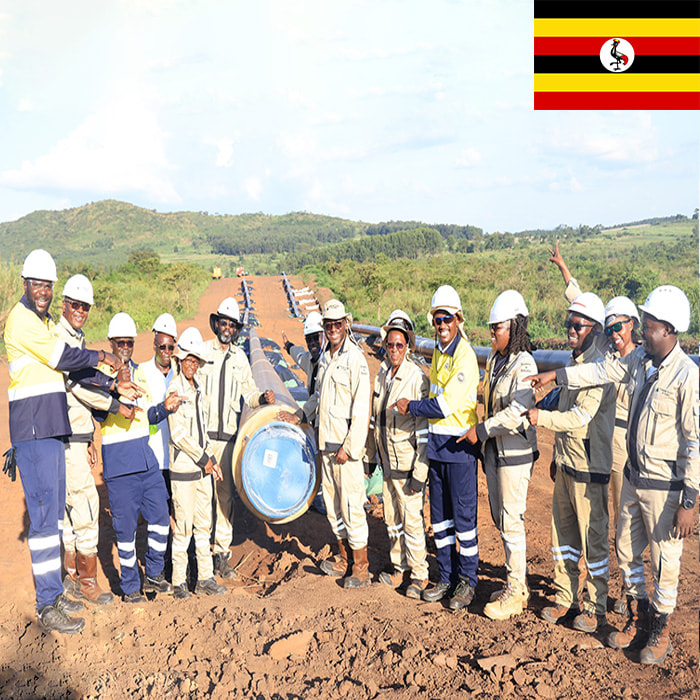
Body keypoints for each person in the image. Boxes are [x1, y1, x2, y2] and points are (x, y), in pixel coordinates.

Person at [527, 285, 699, 665]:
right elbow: (601, 369)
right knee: (626, 550)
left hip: (665, 488)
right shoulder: (639, 360)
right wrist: (557, 375)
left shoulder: (686, 376)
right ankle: (638, 622)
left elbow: (693, 441)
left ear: (668, 329)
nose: (644, 330)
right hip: (635, 479)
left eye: (649, 324)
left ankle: (660, 631)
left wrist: (689, 500)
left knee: (664, 560)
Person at [4, 250, 130, 633]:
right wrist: (104, 356)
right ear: (25, 283)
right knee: (44, 521)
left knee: (54, 518)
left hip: (51, 430)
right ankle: (46, 605)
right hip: (35, 429)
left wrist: (109, 384)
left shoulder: (41, 322)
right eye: (37, 283)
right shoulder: (23, 320)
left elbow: (70, 371)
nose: (41, 291)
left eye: (47, 285)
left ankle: (55, 593)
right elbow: (62, 358)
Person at [549, 241, 642, 616]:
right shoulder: (602, 351)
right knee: (600, 521)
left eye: (620, 326)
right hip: (602, 441)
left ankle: (621, 594)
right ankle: (594, 594)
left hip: (616, 444)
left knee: (620, 522)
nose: (614, 331)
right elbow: (583, 304)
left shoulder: (629, 357)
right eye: (611, 327)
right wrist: (564, 269)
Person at [523, 292, 615, 634]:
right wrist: (556, 457)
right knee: (562, 536)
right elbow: (564, 408)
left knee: (593, 540)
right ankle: (566, 596)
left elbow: (580, 417)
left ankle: (595, 606)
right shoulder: (574, 363)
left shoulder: (599, 369)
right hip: (567, 464)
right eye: (569, 324)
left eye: (577, 325)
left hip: (590, 468)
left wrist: (540, 417)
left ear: (594, 329)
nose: (570, 330)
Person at [394, 285, 480, 610]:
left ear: (458, 319)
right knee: (441, 522)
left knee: (464, 521)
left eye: (446, 319)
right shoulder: (439, 353)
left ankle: (467, 582)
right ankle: (445, 577)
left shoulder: (465, 356)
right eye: (437, 320)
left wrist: (411, 406)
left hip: (459, 451)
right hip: (437, 449)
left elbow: (442, 405)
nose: (441, 325)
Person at [458, 290, 538, 620]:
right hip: (495, 453)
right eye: (491, 329)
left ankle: (516, 589)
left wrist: (483, 429)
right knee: (501, 518)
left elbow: (517, 412)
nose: (492, 335)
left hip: (514, 453)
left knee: (511, 520)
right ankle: (515, 583)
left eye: (497, 329)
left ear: (515, 326)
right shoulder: (495, 360)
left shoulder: (525, 364)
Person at [98, 312, 183, 603]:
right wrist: (115, 401)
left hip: (146, 460)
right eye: (120, 342)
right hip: (119, 463)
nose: (124, 347)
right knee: (125, 533)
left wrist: (165, 409)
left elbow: (147, 415)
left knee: (160, 518)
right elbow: (97, 410)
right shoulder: (102, 375)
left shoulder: (141, 372)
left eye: (129, 342)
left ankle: (154, 573)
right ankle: (131, 587)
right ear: (111, 343)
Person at [57, 274, 120, 606]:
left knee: (70, 508)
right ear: (64, 304)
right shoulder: (62, 338)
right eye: (76, 305)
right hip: (68, 439)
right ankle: (88, 581)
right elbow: (78, 387)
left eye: (85, 306)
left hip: (77, 436)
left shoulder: (76, 337)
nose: (81, 310)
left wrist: (90, 438)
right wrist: (115, 397)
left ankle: (70, 576)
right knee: (85, 506)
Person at [202, 297, 275, 579]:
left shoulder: (240, 358)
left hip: (227, 442)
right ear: (216, 323)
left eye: (232, 325)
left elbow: (249, 392)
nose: (227, 328)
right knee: (200, 498)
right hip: (202, 438)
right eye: (224, 323)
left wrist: (263, 398)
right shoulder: (203, 351)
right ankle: (199, 556)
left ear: (236, 330)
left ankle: (221, 554)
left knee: (223, 500)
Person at [365, 310, 430, 600]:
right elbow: (374, 419)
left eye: (399, 345)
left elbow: (424, 431)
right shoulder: (381, 374)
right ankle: (398, 567)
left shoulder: (416, 379)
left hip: (408, 464)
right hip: (387, 463)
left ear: (409, 346)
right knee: (392, 519)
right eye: (389, 345)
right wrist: (371, 455)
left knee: (412, 521)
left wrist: (420, 472)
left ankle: (419, 575)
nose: (393, 350)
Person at [314, 299, 372, 588]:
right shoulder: (326, 358)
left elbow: (361, 410)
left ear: (346, 325)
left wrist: (349, 448)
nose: (334, 329)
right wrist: (299, 414)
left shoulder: (355, 359)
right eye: (329, 325)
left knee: (351, 506)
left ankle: (361, 567)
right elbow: (317, 399)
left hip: (344, 451)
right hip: (326, 446)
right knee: (333, 505)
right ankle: (344, 559)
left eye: (338, 324)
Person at [167, 327, 226, 599]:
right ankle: (179, 581)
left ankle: (205, 577)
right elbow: (179, 435)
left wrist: (212, 459)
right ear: (180, 361)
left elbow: (204, 430)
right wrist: (204, 460)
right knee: (184, 527)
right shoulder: (175, 389)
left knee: (205, 526)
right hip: (184, 471)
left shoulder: (198, 389)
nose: (191, 365)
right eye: (187, 360)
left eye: (195, 361)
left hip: (203, 470)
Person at [141, 313, 178, 485]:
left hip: (176, 457)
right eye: (162, 347)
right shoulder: (142, 372)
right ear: (154, 345)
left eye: (171, 348)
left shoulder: (180, 374)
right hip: (152, 456)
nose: (167, 352)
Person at [281, 310, 324, 420]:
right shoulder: (310, 359)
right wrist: (288, 346)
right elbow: (299, 355)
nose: (312, 343)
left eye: (315, 337)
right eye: (309, 339)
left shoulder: (328, 363)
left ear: (324, 336)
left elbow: (319, 396)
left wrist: (298, 416)